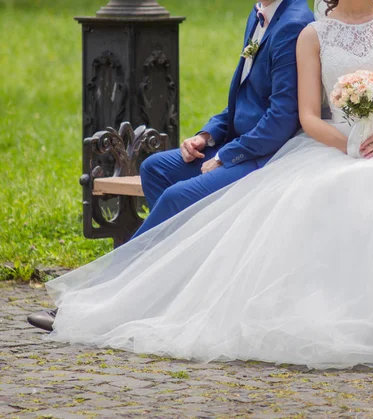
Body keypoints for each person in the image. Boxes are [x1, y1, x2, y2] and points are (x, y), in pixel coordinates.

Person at [29, 0, 373, 369]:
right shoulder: (314, 31)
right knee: (174, 177)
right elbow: (310, 116)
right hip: (331, 145)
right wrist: (345, 143)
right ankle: (143, 287)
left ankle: (124, 294)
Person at [27, 0, 314, 331]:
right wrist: (206, 136)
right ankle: (172, 285)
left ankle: (99, 298)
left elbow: (282, 117)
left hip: (266, 157)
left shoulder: (293, 23)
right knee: (155, 169)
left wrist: (225, 155)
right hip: (238, 144)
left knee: (178, 197)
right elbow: (241, 100)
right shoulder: (259, 13)